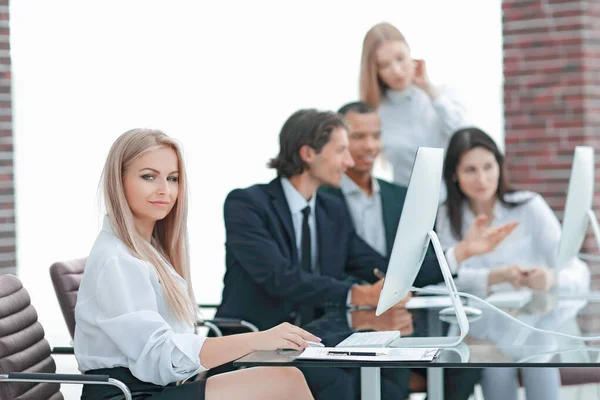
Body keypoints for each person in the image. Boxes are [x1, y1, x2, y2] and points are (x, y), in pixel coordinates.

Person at [215, 109, 444, 399]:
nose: (349, 162)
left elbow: (376, 265)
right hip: (254, 343)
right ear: (309, 153)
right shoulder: (247, 204)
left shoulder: (331, 211)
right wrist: (358, 294)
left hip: (314, 343)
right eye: (341, 151)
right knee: (337, 382)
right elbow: (280, 277)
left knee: (391, 382)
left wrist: (403, 280)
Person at [74, 129, 316, 400]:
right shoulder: (117, 259)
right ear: (118, 182)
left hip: (156, 387)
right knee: (283, 382)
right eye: (148, 176)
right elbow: (158, 356)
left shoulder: (147, 248)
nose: (164, 190)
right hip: (126, 395)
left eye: (173, 179)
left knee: (283, 376)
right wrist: (256, 339)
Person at [321, 101, 516, 399]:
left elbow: (412, 269)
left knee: (464, 364)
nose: (370, 145)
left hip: (402, 320)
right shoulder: (322, 197)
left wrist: (462, 251)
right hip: (344, 319)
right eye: (358, 137)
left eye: (376, 135)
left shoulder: (400, 197)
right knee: (390, 382)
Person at [436, 127, 591, 400]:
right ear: (454, 175)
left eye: (488, 166)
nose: (482, 178)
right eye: (470, 170)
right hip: (483, 330)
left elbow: (576, 269)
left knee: (540, 359)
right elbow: (445, 278)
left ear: (500, 166)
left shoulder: (529, 206)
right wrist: (495, 276)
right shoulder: (448, 217)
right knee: (494, 369)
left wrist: (551, 278)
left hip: (535, 323)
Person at [359, 22, 468, 189]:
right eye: (385, 65)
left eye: (400, 58)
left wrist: (429, 89)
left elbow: (465, 137)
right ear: (375, 71)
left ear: (410, 54)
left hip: (454, 200)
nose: (396, 70)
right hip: (407, 202)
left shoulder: (440, 96)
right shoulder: (377, 114)